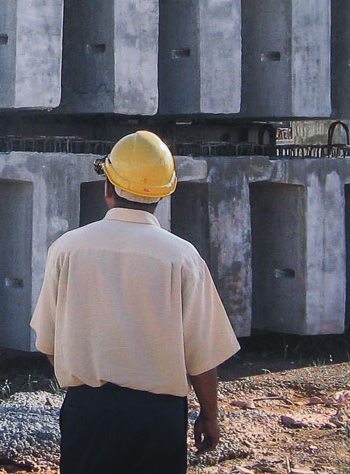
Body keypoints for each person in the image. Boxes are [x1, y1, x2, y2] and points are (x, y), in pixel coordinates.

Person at [30, 130, 240, 474]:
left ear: (108, 188)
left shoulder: (67, 248)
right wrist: (209, 414)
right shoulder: (182, 258)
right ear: (163, 194)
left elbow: (49, 341)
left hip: (88, 413)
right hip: (157, 419)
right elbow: (202, 355)